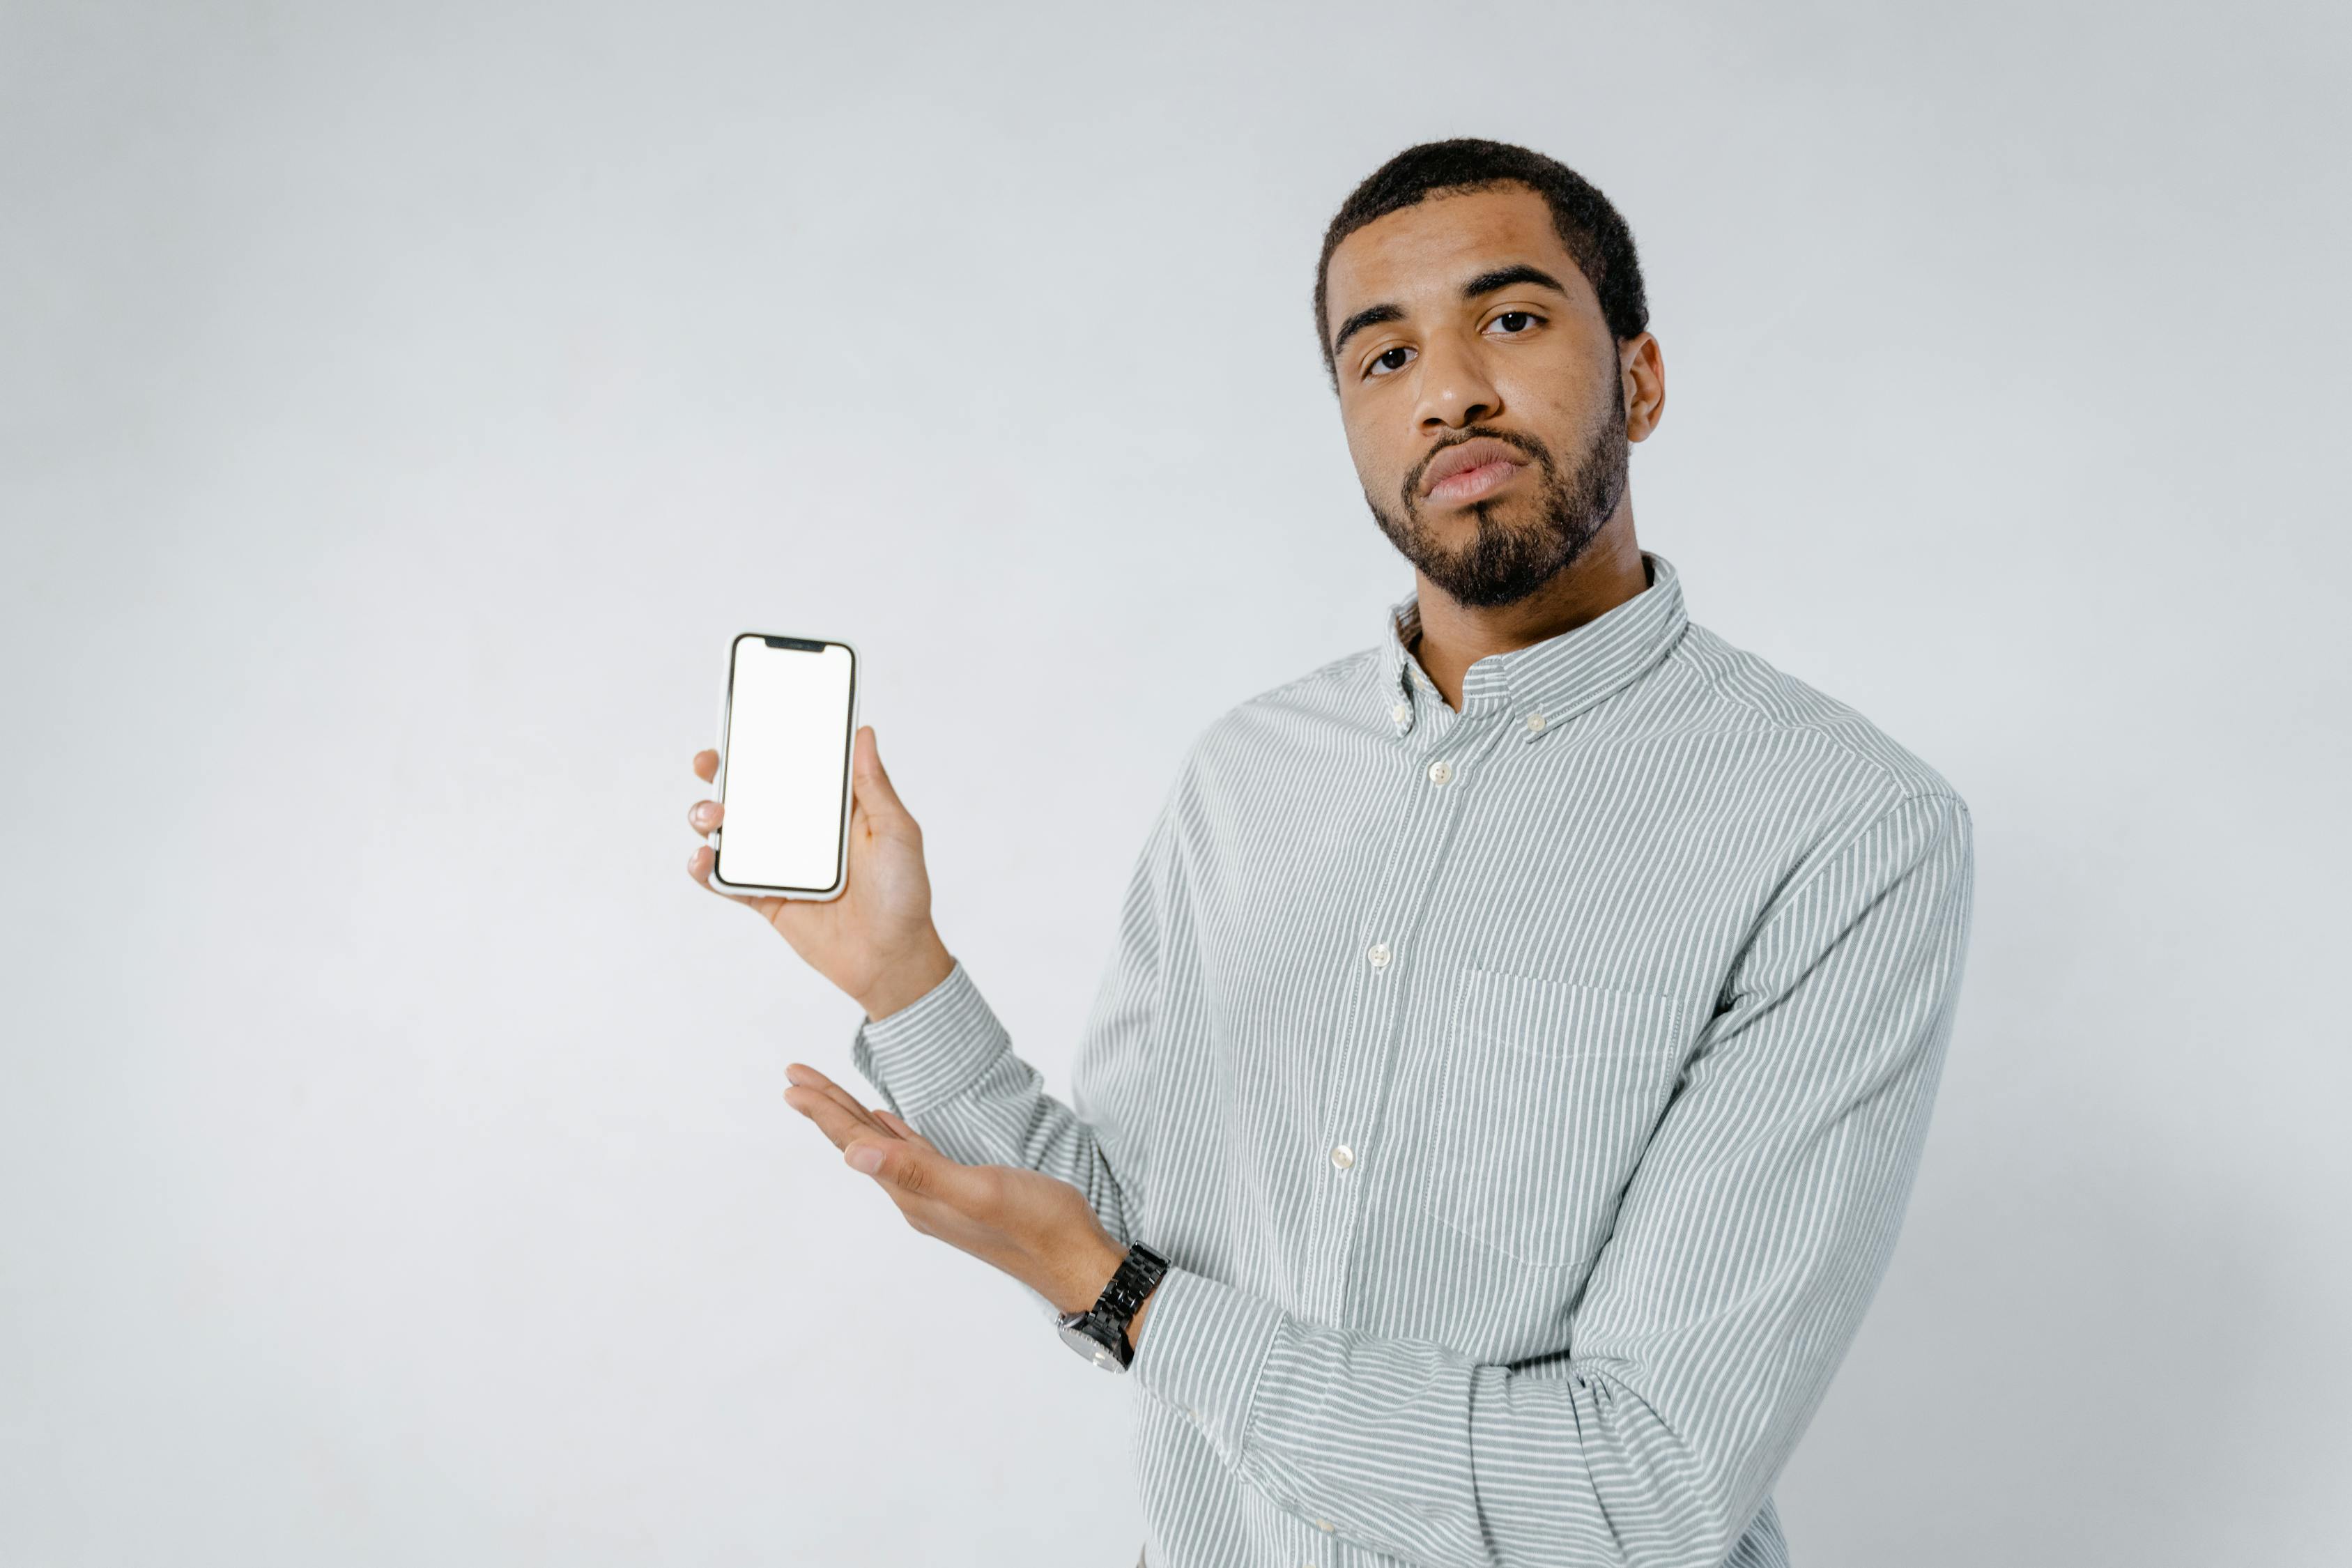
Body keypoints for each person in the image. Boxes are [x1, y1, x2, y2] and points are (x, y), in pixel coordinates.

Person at [685, 137, 1974, 1568]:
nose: (1446, 388)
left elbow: (1637, 1493)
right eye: (1380, 357)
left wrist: (1116, 1293)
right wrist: (904, 978)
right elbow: (1134, 1250)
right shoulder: (1246, 776)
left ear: (1642, 379)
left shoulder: (1842, 825)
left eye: (1511, 319)